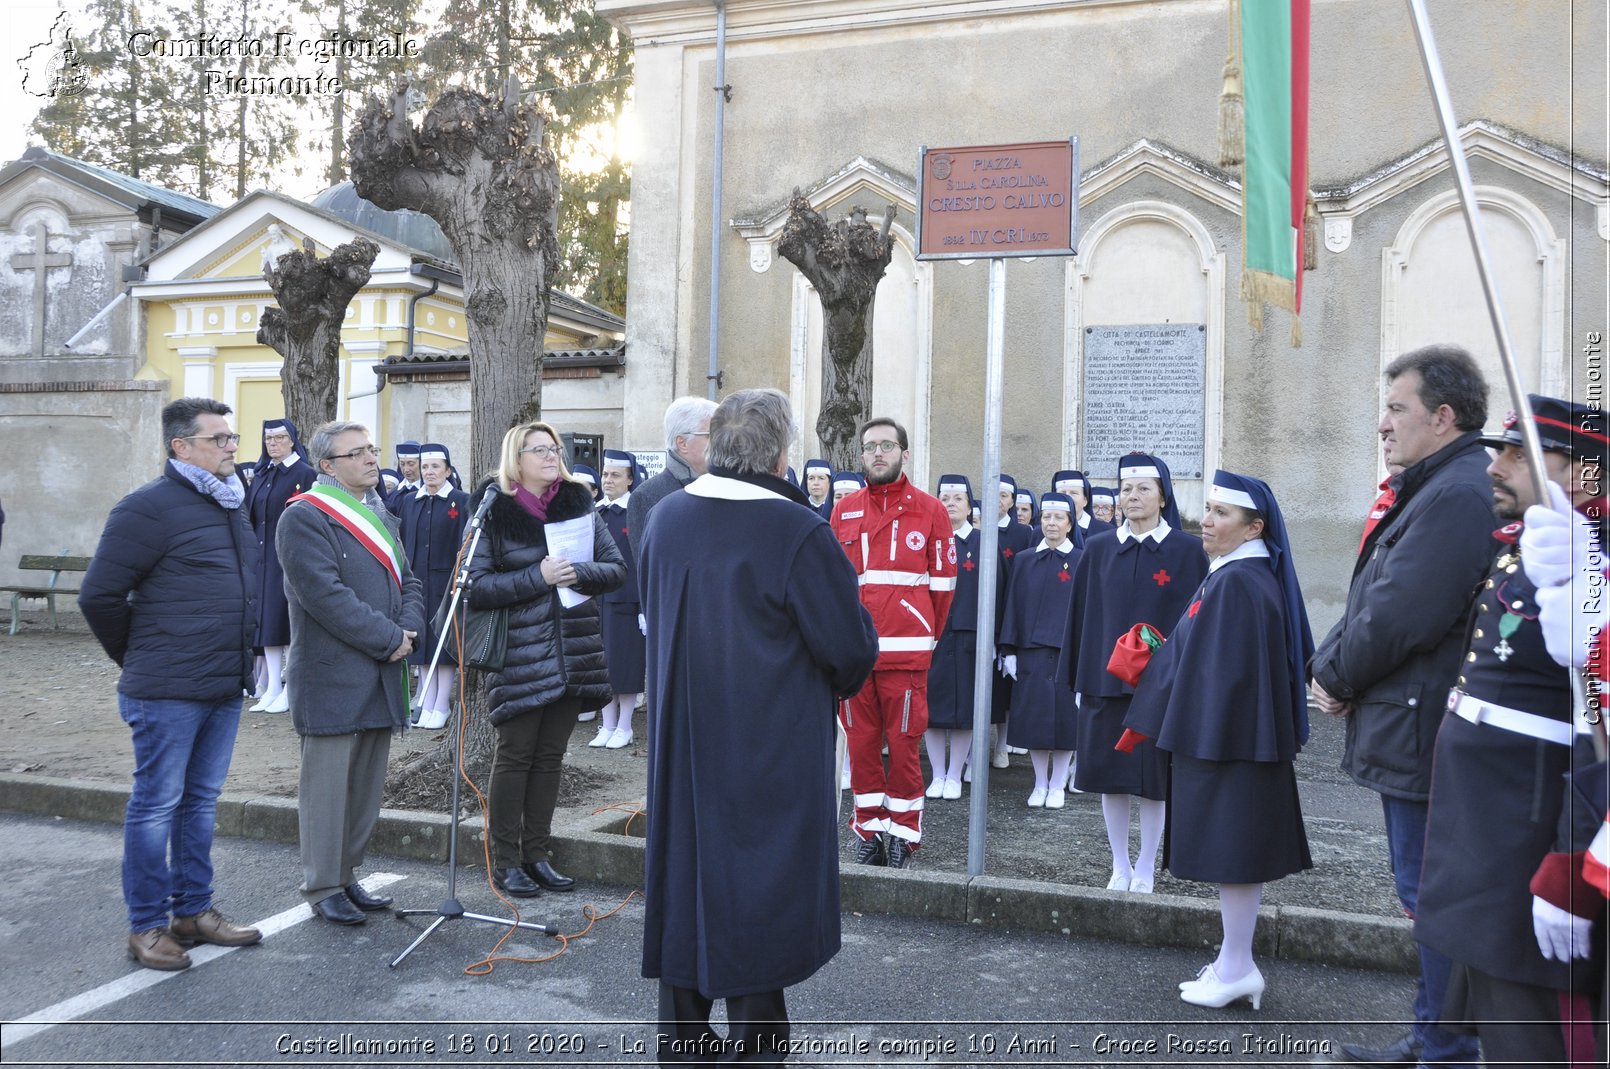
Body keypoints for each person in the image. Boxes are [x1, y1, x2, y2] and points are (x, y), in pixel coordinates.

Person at [639, 388, 878, 1061]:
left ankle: (682, 1040)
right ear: (780, 454)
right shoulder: (796, 529)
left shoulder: (666, 517)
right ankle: (757, 1045)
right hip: (766, 739)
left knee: (688, 872)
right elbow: (848, 648)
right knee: (760, 880)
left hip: (683, 738)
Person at [1309, 343, 1494, 1069]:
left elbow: (1399, 614)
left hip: (1425, 732)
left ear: (1443, 417)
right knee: (1429, 897)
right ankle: (1436, 1035)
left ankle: (1446, 1048)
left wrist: (1333, 675)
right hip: (1414, 724)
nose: (1383, 425)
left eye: (1397, 409)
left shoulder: (1455, 492)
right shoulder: (1439, 486)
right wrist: (1329, 662)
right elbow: (1372, 597)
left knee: (1434, 897)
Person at [1414, 396, 1606, 1065]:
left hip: (1528, 837)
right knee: (1497, 1014)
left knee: (1538, 1034)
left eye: (1519, 452)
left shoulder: (1595, 573)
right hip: (1484, 831)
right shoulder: (1528, 545)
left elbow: (1596, 736)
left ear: (1582, 473)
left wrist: (1573, 864)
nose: (1495, 464)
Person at [80, 397, 264, 970]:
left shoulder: (229, 503)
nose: (232, 447)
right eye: (220, 439)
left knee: (200, 804)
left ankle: (193, 912)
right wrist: (139, 659)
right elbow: (99, 597)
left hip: (221, 682)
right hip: (165, 689)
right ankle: (148, 926)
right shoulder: (147, 508)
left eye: (232, 438)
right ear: (181, 447)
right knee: (156, 805)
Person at [1126, 471, 1314, 1010]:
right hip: (1232, 738)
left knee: (1236, 855)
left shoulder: (1239, 581)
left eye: (1221, 514)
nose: (1205, 521)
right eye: (1206, 509)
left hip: (1229, 742)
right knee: (1236, 856)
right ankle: (1235, 961)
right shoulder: (1233, 574)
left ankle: (1237, 966)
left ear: (1254, 527)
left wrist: (1167, 684)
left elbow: (1223, 674)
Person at [466, 421, 625, 898]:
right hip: (519, 653)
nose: (550, 456)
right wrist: (538, 576)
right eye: (538, 449)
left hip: (574, 650)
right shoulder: (493, 510)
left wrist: (575, 571)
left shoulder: (579, 504)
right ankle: (505, 860)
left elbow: (616, 569)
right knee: (515, 757)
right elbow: (475, 587)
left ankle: (537, 854)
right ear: (516, 459)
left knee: (551, 758)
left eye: (554, 448)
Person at [278, 421, 426, 926]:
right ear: (327, 465)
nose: (370, 458)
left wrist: (407, 629)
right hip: (333, 676)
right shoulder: (304, 518)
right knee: (327, 788)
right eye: (357, 452)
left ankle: (347, 873)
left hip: (381, 671)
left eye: (371, 449)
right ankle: (323, 884)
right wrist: (389, 640)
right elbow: (323, 596)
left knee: (363, 787)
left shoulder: (380, 512)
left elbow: (409, 581)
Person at [1060, 452, 1207, 894]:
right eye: (1126, 489)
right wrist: (1077, 680)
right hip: (1105, 684)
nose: (1133, 496)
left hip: (1159, 688)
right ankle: (1119, 864)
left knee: (1154, 782)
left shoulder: (1187, 551)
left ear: (1163, 495)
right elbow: (1080, 614)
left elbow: (1197, 619)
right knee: (1111, 777)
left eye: (1144, 488)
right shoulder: (1100, 547)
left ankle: (1146, 865)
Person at [831, 416, 955, 869]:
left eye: (886, 445)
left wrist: (921, 634)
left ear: (904, 453)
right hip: (856, 656)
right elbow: (836, 585)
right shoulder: (844, 510)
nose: (877, 453)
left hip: (905, 655)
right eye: (870, 447)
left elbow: (943, 591)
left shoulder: (930, 510)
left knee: (903, 746)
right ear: (861, 455)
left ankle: (904, 834)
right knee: (862, 748)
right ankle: (869, 830)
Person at [998, 493, 1082, 808]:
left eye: (1059, 518)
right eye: (1046, 517)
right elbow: (1014, 605)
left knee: (1064, 721)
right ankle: (1040, 782)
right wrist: (1009, 649)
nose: (1051, 523)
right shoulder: (1024, 559)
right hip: (1031, 652)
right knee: (1033, 719)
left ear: (1070, 523)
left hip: (1066, 654)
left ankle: (1058, 783)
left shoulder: (1081, 561)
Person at [924, 474, 1003, 801]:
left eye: (958, 498)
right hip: (932, 636)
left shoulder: (984, 544)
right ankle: (938, 774)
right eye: (944, 496)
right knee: (931, 710)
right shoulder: (928, 538)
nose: (950, 503)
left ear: (971, 505)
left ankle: (955, 774)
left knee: (966, 710)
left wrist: (996, 639)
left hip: (971, 637)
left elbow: (998, 593)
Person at [243, 418, 316, 714]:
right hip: (262, 559)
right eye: (268, 439)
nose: (272, 443)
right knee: (267, 622)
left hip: (289, 556)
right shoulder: (262, 474)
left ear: (292, 440)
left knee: (287, 621)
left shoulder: (305, 473)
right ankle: (272, 686)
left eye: (279, 438)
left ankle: (290, 686)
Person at [399, 443, 470, 730]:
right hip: (419, 581)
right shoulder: (410, 501)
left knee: (444, 643)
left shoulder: (460, 500)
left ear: (448, 470)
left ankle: (442, 703)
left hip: (445, 582)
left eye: (435, 467)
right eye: (425, 467)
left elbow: (464, 544)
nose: (429, 472)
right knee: (423, 642)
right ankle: (425, 701)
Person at [628, 396, 719, 574]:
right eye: (711, 435)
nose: (720, 442)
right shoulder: (647, 496)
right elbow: (649, 573)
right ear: (682, 443)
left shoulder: (723, 487)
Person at [595, 448, 644, 750]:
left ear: (629, 479)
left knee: (625, 663)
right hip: (596, 597)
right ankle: (607, 722)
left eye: (615, 475)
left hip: (626, 598)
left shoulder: (634, 512)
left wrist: (643, 603)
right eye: (605, 474)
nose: (608, 480)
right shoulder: (595, 511)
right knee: (600, 663)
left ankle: (624, 724)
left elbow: (641, 557)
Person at [386, 440, 422, 512]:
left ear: (422, 463)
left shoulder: (429, 491)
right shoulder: (393, 494)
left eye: (411, 464)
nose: (406, 470)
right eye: (402, 464)